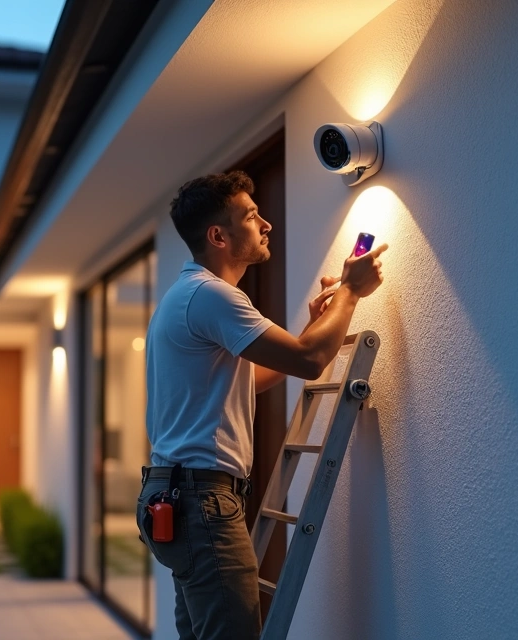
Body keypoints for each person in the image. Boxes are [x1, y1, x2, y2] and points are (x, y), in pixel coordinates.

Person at [138, 171, 387, 640]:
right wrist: (351, 293)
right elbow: (310, 361)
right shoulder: (213, 295)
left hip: (174, 495)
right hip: (200, 502)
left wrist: (315, 327)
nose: (266, 223)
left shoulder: (184, 296)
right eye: (251, 216)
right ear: (218, 236)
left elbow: (248, 379)